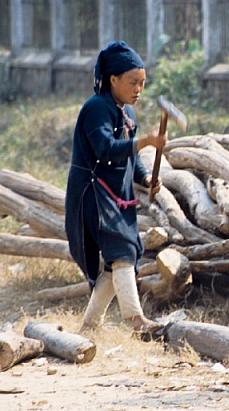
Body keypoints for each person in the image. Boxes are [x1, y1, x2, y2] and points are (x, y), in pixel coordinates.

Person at [65, 41, 165, 332]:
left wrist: (146, 178)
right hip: (93, 195)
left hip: (117, 197)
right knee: (121, 251)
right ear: (113, 80)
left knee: (118, 259)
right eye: (133, 82)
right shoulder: (96, 108)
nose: (138, 90)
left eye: (143, 84)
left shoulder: (128, 114)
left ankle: (89, 325)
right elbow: (106, 149)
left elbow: (131, 157)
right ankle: (135, 319)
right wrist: (145, 141)